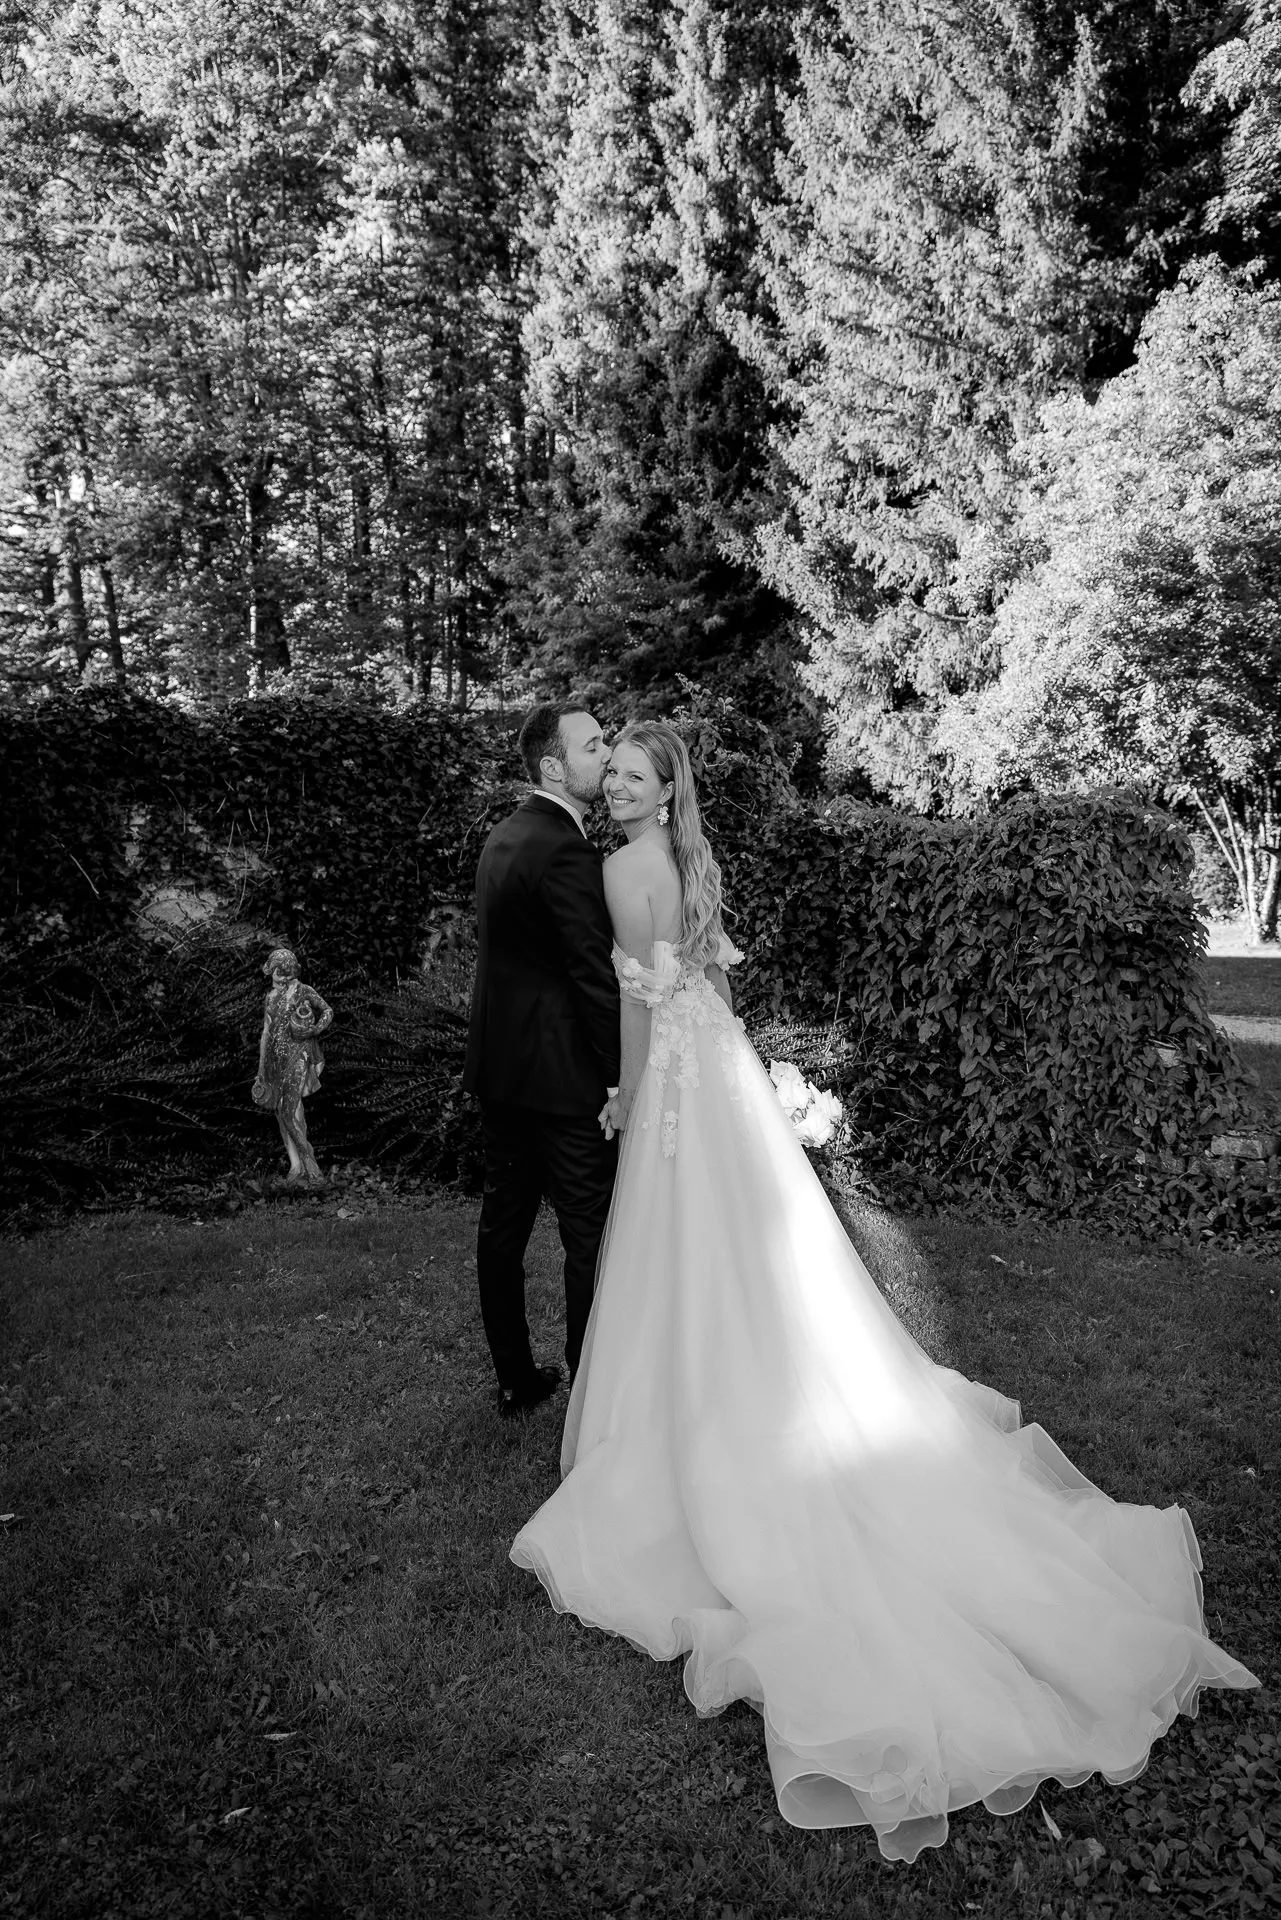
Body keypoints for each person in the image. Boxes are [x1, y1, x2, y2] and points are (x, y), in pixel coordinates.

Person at [510, 720, 1259, 1865]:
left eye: (628, 773)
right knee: (758, 1263)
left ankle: (694, 1430)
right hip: (723, 1085)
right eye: (606, 769)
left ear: (664, 792)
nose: (610, 784)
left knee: (686, 1265)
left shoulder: (620, 868)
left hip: (678, 1087)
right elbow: (699, 979)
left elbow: (641, 1000)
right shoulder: (685, 862)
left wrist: (622, 1098)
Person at [463, 702, 621, 1419]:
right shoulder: (566, 847)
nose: (608, 755)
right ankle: (587, 1391)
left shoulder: (502, 835)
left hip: (501, 1074)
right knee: (587, 1234)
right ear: (554, 766)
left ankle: (513, 1377)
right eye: (594, 746)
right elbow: (591, 975)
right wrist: (618, 1072)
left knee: (503, 1224)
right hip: (563, 1084)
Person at [252, 947, 333, 1187]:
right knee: (284, 1113)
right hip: (274, 1062)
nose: (283, 978)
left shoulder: (303, 991)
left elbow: (327, 1010)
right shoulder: (270, 998)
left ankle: (312, 1168)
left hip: (298, 1058)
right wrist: (260, 1069)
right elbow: (266, 1033)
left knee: (289, 1111)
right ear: (270, 971)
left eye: (287, 973)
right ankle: (296, 1166)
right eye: (278, 973)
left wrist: (316, 1028)